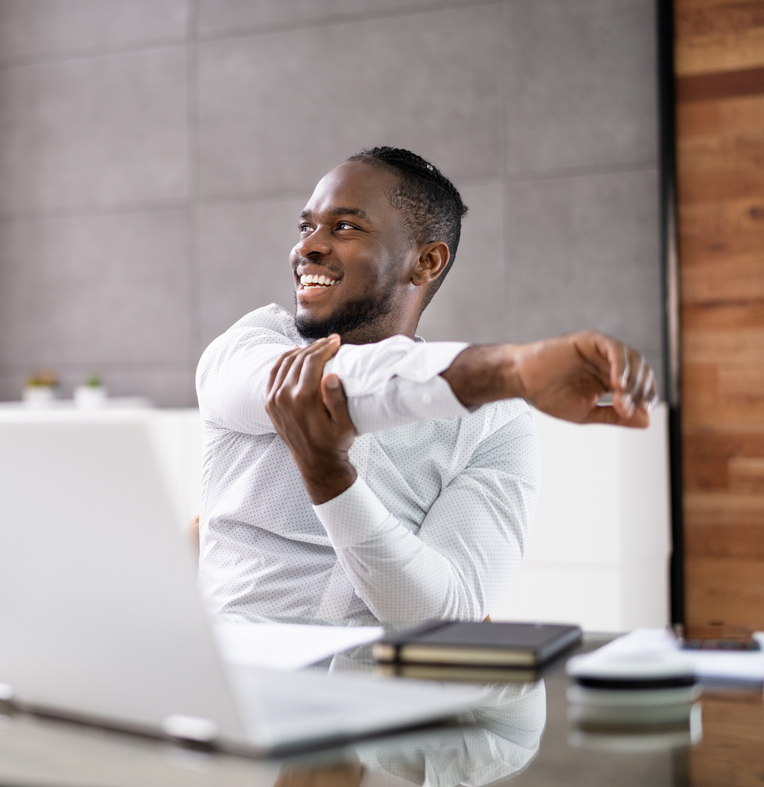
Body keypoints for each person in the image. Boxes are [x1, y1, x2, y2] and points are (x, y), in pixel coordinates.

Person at [196, 146, 657, 625]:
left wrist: (332, 480)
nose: (307, 246)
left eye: (345, 226)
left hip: (384, 695)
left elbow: (446, 611)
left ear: (427, 262)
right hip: (229, 681)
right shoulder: (250, 347)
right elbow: (312, 388)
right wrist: (512, 370)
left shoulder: (494, 421)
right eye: (306, 226)